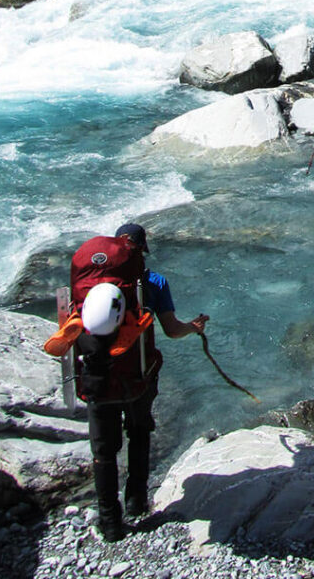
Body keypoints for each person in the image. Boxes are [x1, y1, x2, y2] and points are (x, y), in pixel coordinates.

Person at [87, 223, 208, 541]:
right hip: (138, 374)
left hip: (98, 375)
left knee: (103, 450)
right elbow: (171, 330)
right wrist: (194, 327)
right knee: (139, 431)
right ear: (142, 250)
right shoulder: (152, 281)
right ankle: (137, 502)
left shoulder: (90, 280)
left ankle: (111, 524)